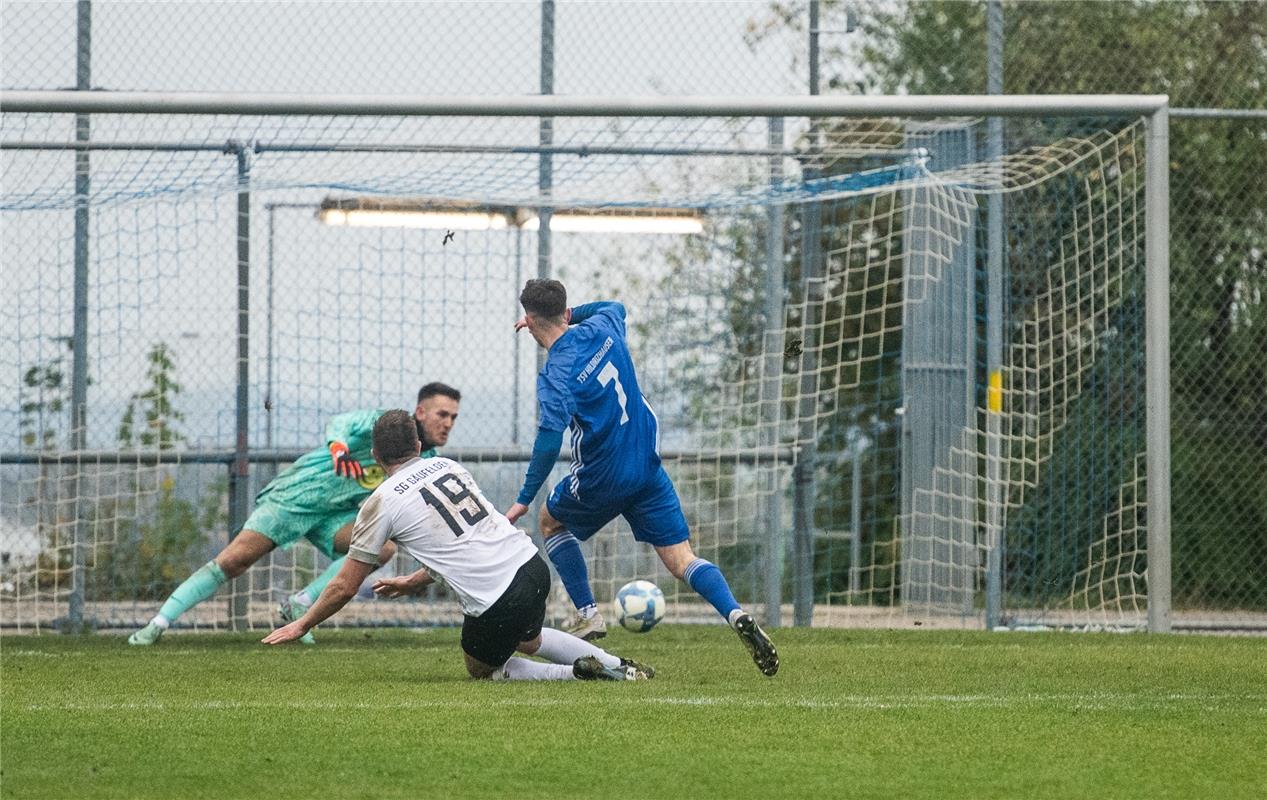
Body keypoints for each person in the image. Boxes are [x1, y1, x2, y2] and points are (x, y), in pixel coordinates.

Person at [504, 279, 779, 677]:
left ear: (528, 320)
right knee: (683, 559)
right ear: (565, 312)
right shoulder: (603, 327)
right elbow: (614, 303)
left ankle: (588, 613)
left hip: (602, 476)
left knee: (550, 520)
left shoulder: (556, 375)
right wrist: (570, 313)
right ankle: (735, 613)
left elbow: (548, 443)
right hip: (648, 466)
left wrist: (525, 498)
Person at [263, 409, 654, 684]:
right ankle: (617, 665)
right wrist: (414, 581)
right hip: (532, 567)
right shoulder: (449, 466)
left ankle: (577, 674)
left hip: (497, 598)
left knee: (482, 669)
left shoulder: (380, 502)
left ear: (378, 456)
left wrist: (302, 623)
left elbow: (345, 585)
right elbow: (461, 539)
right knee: (529, 639)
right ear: (418, 443)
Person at [127, 383, 461, 646]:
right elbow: (341, 423)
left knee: (382, 547)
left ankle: (299, 603)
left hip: (334, 516)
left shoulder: (424, 457)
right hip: (298, 496)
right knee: (235, 561)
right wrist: (338, 445)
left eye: (453, 418)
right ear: (420, 411)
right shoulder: (385, 426)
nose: (447, 424)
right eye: (442, 415)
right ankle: (157, 624)